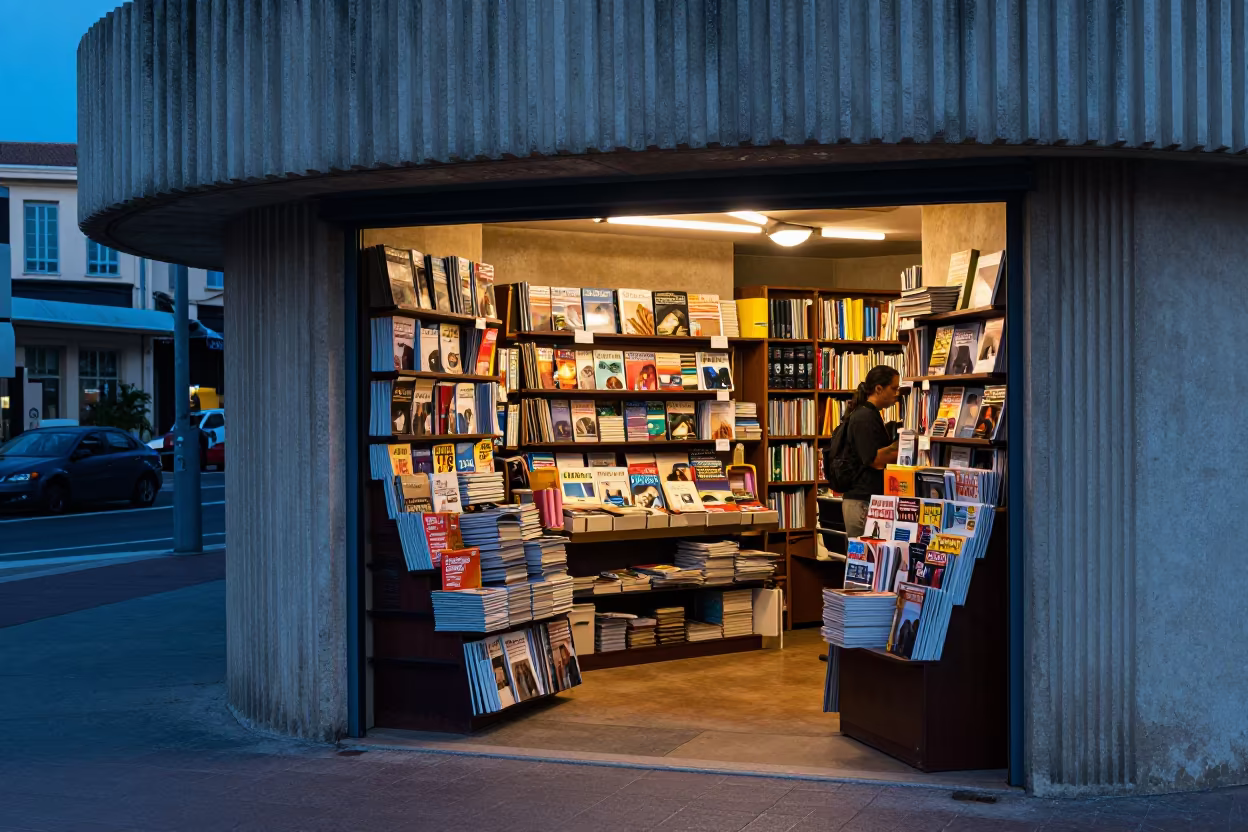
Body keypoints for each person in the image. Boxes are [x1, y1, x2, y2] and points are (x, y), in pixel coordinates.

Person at [838, 365, 901, 539]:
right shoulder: (864, 417)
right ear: (879, 389)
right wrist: (906, 446)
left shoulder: (869, 414)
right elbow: (874, 459)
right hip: (862, 502)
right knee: (863, 559)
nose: (896, 393)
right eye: (893, 388)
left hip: (864, 500)